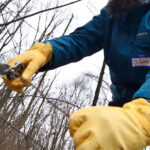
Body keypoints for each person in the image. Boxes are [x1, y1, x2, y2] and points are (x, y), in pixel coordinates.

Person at [2, 0, 150, 149]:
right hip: (121, 109)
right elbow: (82, 39)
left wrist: (143, 113)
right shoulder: (113, 13)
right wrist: (46, 52)